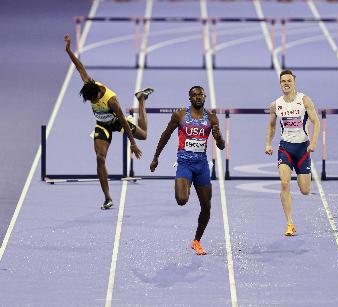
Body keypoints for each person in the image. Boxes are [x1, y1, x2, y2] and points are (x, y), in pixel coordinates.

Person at [65, 34, 153, 210]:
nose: (92, 102)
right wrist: (68, 50)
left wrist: (133, 144)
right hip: (102, 125)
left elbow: (124, 122)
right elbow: (79, 66)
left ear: (99, 94)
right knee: (99, 158)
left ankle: (141, 99)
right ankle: (107, 198)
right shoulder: (90, 85)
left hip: (117, 122)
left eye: (93, 100)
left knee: (144, 134)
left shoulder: (111, 101)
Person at [150, 86, 225, 255]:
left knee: (206, 207)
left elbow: (221, 146)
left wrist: (219, 136)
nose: (198, 97)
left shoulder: (212, 119)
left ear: (204, 97)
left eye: (201, 95)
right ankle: (185, 183)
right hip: (184, 164)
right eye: (195, 95)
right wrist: (156, 157)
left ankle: (196, 241)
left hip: (201, 166)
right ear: (189, 98)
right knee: (182, 199)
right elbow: (165, 135)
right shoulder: (180, 115)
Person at [265, 70, 320, 236]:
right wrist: (268, 143)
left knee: (304, 190)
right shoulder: (276, 105)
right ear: (280, 84)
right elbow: (272, 126)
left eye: (289, 80)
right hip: (285, 148)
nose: (286, 83)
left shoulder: (304, 100)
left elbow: (316, 122)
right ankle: (290, 224)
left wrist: (314, 143)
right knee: (284, 183)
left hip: (303, 149)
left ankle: (302, 175)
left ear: (294, 82)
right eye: (283, 81)